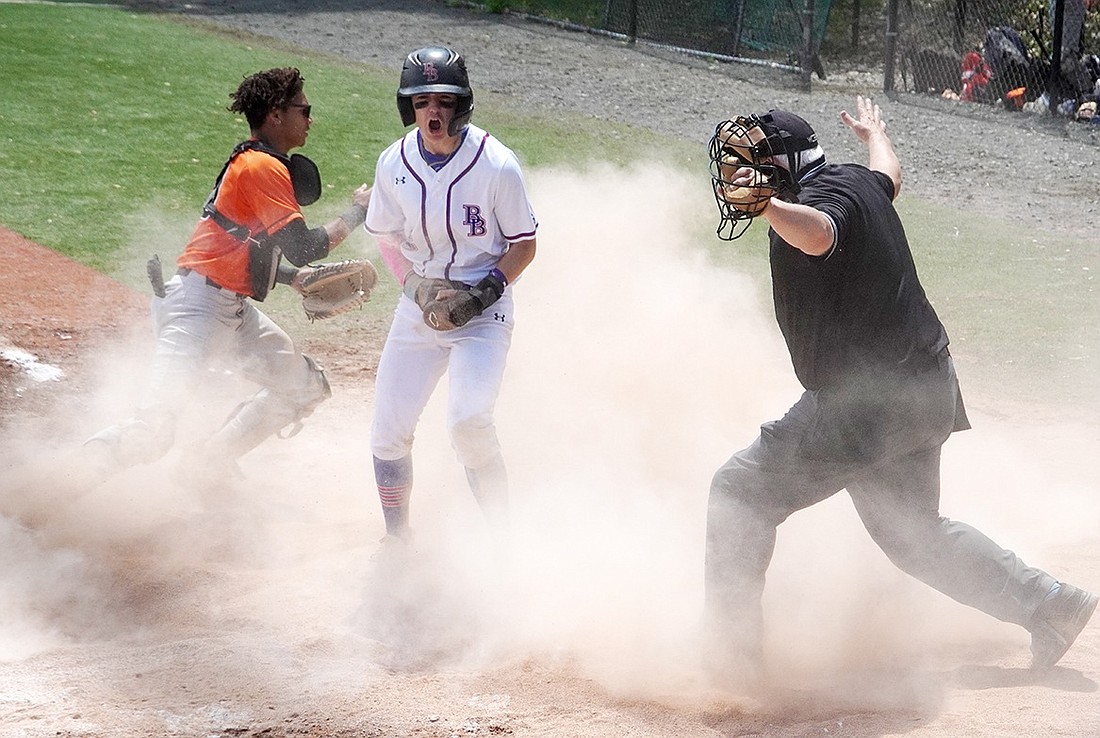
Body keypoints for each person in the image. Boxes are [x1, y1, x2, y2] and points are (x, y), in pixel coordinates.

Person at [703, 95, 1097, 684]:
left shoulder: (820, 201)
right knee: (914, 535)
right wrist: (875, 134)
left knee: (739, 492)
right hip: (925, 386)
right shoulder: (858, 179)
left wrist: (768, 208)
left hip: (864, 406)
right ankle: (1051, 603)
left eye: (752, 163)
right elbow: (890, 173)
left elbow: (818, 235)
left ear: (785, 166)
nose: (739, 174)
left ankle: (729, 661)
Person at [84, 67, 372, 488]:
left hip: (229, 308)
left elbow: (247, 246)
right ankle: (55, 482)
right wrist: (356, 214)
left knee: (303, 387)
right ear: (276, 114)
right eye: (304, 109)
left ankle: (207, 464)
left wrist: (291, 278)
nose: (310, 119)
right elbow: (303, 245)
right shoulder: (260, 167)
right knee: (154, 430)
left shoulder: (261, 163)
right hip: (195, 309)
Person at [364, 46, 537, 548]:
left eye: (443, 100)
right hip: (417, 309)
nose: (432, 113)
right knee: (387, 433)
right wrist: (413, 286)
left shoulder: (497, 166)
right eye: (421, 102)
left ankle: (502, 539)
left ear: (462, 104)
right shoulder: (393, 163)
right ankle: (397, 538)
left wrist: (482, 295)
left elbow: (525, 244)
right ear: (408, 107)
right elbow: (386, 236)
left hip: (483, 313)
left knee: (468, 421)